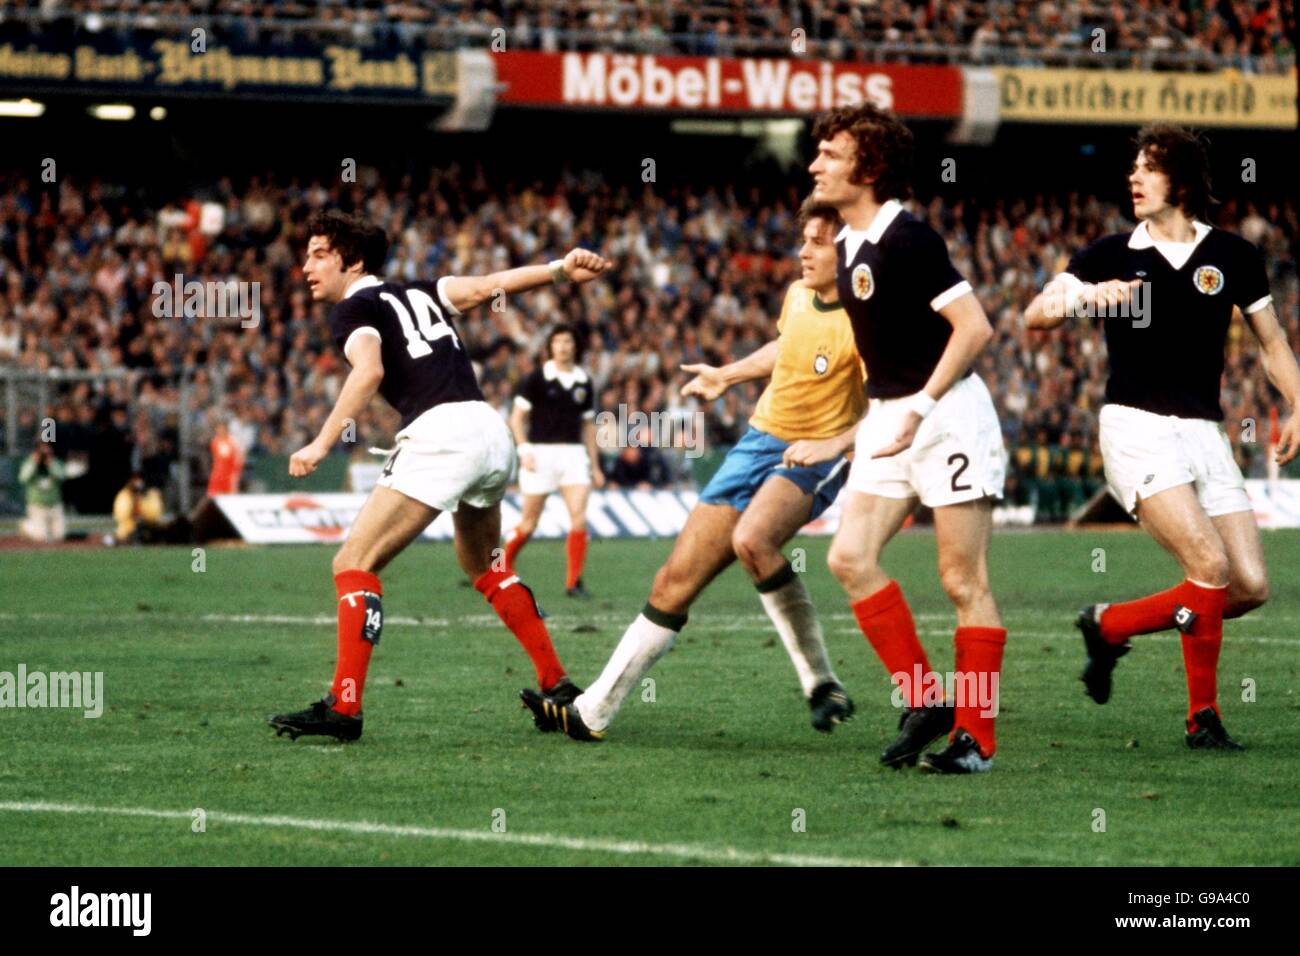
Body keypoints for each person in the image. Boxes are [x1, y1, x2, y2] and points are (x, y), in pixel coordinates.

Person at [520, 199, 864, 740]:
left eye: (818, 242)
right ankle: (592, 712)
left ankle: (820, 682)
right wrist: (729, 375)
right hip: (756, 445)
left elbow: (896, 401)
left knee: (753, 540)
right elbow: (787, 346)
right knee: (672, 582)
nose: (803, 250)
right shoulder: (799, 294)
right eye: (804, 238)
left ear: (850, 251)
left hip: (814, 451)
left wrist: (837, 444)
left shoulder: (870, 319)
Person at [267, 210, 611, 742]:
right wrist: (560, 270)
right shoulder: (422, 291)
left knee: (353, 562)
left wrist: (320, 442)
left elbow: (370, 371)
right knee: (484, 564)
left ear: (352, 261)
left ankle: (345, 707)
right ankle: (557, 684)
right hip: (489, 431)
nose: (305, 265)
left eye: (318, 255)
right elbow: (492, 286)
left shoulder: (354, 307)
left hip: (443, 434)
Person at [1024, 124, 1300, 750]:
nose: (1134, 178)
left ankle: (1110, 623)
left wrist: (1298, 401)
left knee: (1248, 586)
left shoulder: (1231, 255)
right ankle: (1203, 718)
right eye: (1133, 168)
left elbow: (1273, 341)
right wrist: (1088, 297)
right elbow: (1035, 313)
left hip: (1206, 433)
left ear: (1181, 179)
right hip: (1135, 427)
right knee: (1207, 565)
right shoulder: (1108, 254)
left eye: (1147, 168)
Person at [788, 104, 1008, 774]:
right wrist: (849, 435)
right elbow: (884, 365)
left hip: (948, 416)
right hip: (891, 418)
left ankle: (976, 738)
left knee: (960, 578)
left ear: (870, 167)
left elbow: (974, 328)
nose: (814, 164)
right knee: (849, 557)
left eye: (830, 154)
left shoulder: (907, 238)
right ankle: (924, 700)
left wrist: (921, 408)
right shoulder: (847, 246)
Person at [504, 324, 605, 598]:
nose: (562, 346)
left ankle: (574, 582)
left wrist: (595, 465)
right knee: (529, 524)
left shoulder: (584, 380)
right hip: (540, 454)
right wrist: (524, 450)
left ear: (575, 346)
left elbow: (588, 426)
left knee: (579, 519)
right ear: (550, 347)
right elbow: (516, 418)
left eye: (567, 341)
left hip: (573, 455)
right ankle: (500, 565)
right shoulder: (536, 378)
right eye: (557, 341)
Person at [18, 443, 66, 543]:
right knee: (40, 537)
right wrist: (34, 462)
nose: (44, 455)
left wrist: (50, 463)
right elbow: (23, 478)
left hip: (54, 505)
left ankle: (46, 528)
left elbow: (61, 476)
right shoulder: (29, 463)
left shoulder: (56, 463)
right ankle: (26, 526)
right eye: (42, 452)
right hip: (37, 505)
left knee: (59, 536)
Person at [112, 472, 165, 543]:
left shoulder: (151, 494)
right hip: (129, 530)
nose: (138, 483)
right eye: (135, 479)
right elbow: (122, 516)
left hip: (148, 527)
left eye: (140, 479)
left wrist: (144, 514)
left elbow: (155, 515)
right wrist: (133, 502)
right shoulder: (124, 495)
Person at [206, 418, 245, 497]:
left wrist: (236, 474)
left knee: (230, 498)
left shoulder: (233, 443)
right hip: (217, 475)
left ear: (226, 429)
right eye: (218, 429)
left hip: (229, 476)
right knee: (212, 496)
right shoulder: (215, 442)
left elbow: (239, 459)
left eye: (222, 428)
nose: (219, 431)